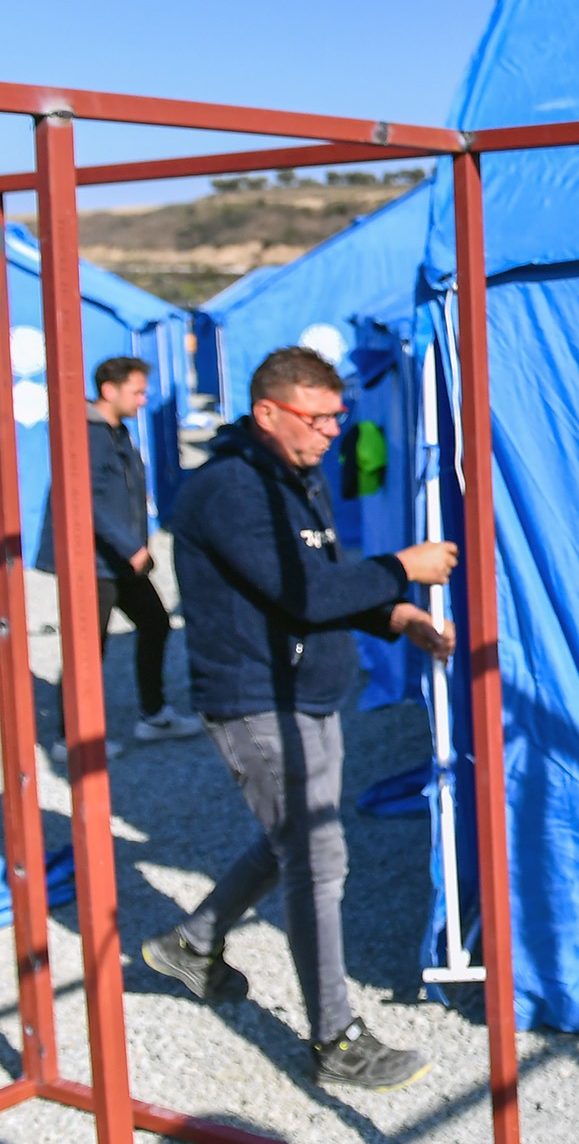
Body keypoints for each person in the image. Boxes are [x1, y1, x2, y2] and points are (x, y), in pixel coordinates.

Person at [141, 345, 457, 1090]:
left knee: (294, 840)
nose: (331, 432)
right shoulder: (229, 488)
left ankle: (192, 943)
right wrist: (400, 568)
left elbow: (317, 582)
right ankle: (336, 1039)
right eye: (318, 418)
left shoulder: (294, 476)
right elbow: (305, 594)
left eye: (337, 417)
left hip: (305, 692)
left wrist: (393, 612)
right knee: (316, 856)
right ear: (268, 412)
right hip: (256, 699)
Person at [39, 355, 201, 744]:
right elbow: (83, 500)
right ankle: (72, 739)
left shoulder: (116, 431)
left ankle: (154, 714)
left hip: (120, 560)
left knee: (156, 623)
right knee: (87, 648)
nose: (143, 400)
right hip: (92, 562)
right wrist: (131, 547)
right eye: (138, 392)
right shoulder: (86, 436)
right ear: (109, 391)